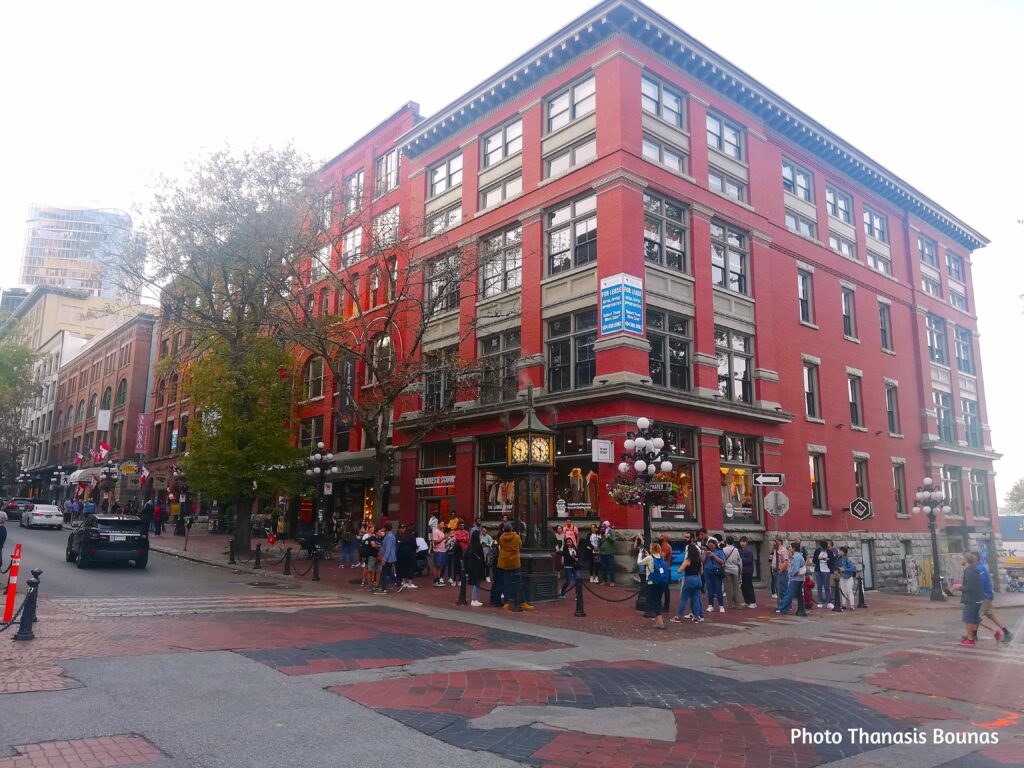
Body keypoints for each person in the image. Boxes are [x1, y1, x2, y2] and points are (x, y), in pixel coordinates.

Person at [977, 555, 1012, 643]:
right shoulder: (981, 566)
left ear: (975, 559)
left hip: (984, 596)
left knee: (974, 616)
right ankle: (1006, 632)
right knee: (990, 614)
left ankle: (995, 631)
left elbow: (981, 581)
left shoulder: (979, 568)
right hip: (987, 595)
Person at [497, 522, 532, 611]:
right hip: (515, 562)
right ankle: (522, 602)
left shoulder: (501, 537)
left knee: (506, 583)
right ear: (511, 528)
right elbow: (520, 545)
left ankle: (506, 603)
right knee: (518, 583)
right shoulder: (516, 537)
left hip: (505, 562)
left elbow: (500, 546)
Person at [672, 539, 704, 624]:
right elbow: (701, 572)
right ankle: (697, 617)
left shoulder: (688, 560)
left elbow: (679, 571)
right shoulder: (699, 560)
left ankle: (678, 616)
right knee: (696, 598)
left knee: (683, 598)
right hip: (698, 579)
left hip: (690, 579)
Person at [639, 543, 668, 629]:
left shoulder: (650, 558)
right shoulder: (661, 557)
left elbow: (639, 562)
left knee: (654, 601)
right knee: (658, 600)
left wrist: (640, 553)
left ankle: (660, 622)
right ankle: (658, 621)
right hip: (662, 582)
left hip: (653, 582)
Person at [959, 552, 983, 647]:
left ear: (966, 560)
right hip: (977, 598)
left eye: (962, 558)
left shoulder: (969, 571)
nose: (961, 560)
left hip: (971, 599)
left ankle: (970, 639)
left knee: (968, 619)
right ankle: (972, 636)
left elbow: (970, 587)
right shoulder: (974, 570)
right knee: (974, 619)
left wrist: (959, 587)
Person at [776, 542, 804, 615]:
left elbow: (796, 569)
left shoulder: (797, 557)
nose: (789, 549)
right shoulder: (797, 556)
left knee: (788, 594)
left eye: (791, 547)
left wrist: (791, 574)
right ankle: (785, 608)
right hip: (797, 578)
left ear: (794, 548)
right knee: (791, 594)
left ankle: (782, 608)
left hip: (795, 578)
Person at [703, 537, 726, 613]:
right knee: (710, 589)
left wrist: (714, 556)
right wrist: (706, 555)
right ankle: (710, 605)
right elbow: (703, 561)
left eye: (712, 545)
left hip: (717, 571)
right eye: (709, 546)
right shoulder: (706, 552)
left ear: (715, 545)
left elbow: (722, 561)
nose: (711, 547)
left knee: (718, 589)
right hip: (708, 571)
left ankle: (721, 606)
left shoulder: (719, 552)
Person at [466, 529, 486, 606]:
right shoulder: (478, 546)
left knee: (475, 583)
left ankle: (474, 599)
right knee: (477, 583)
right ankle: (474, 599)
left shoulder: (470, 545)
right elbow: (482, 557)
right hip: (477, 566)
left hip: (471, 566)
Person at [721, 536, 742, 610]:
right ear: (733, 542)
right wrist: (740, 570)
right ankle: (738, 604)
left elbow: (722, 560)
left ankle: (730, 604)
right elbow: (739, 560)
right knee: (736, 588)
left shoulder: (723, 549)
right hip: (735, 570)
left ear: (726, 541)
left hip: (727, 570)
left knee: (728, 588)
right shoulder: (736, 550)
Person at [812, 539, 834, 608]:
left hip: (826, 570)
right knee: (819, 586)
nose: (823, 549)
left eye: (824, 548)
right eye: (822, 548)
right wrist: (818, 558)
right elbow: (814, 561)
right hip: (818, 570)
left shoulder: (829, 552)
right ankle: (820, 601)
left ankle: (828, 601)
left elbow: (832, 561)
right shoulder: (817, 551)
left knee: (827, 586)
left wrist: (826, 559)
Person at [396, 524, 418, 591]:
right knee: (410, 568)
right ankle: (409, 583)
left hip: (402, 555)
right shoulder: (412, 537)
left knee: (404, 568)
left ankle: (404, 582)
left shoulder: (402, 536)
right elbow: (414, 545)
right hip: (410, 555)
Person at [378, 523, 397, 594]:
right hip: (390, 557)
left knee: (384, 573)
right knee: (388, 572)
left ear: (385, 528)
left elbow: (388, 548)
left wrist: (384, 559)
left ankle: (384, 588)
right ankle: (398, 581)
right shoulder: (390, 535)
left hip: (388, 557)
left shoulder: (389, 536)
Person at [558, 536, 579, 600]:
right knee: (568, 581)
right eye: (567, 542)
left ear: (572, 542)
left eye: (569, 542)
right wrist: (562, 564)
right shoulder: (565, 549)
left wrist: (577, 560)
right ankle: (562, 592)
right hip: (568, 566)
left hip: (575, 567)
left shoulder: (574, 548)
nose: (569, 543)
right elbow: (563, 557)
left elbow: (577, 556)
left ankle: (577, 595)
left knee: (577, 580)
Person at [738, 537, 757, 608]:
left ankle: (753, 602)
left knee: (748, 586)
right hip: (742, 571)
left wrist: (740, 559)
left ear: (747, 542)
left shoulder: (749, 551)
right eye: (741, 541)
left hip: (747, 571)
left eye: (744, 542)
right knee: (743, 587)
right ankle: (747, 601)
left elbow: (748, 560)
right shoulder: (740, 550)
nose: (742, 543)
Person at [598, 521, 617, 586]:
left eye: (604, 525)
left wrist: (608, 537)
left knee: (610, 567)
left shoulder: (611, 531)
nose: (603, 526)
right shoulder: (602, 532)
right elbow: (599, 542)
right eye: (603, 525)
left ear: (607, 525)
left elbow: (614, 540)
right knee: (603, 567)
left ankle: (612, 581)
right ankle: (604, 580)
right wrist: (600, 549)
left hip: (609, 553)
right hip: (602, 553)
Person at [659, 534, 673, 613]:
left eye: (661, 536)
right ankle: (661, 604)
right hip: (664, 568)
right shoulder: (663, 545)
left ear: (664, 538)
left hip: (665, 569)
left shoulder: (666, 546)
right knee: (663, 587)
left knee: (665, 588)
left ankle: (666, 606)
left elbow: (662, 556)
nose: (659, 537)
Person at [431, 520, 447, 587]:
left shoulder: (442, 532)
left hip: (443, 551)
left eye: (443, 524)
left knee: (439, 566)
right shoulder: (435, 531)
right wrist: (443, 539)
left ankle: (438, 581)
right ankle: (435, 581)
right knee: (436, 566)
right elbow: (435, 542)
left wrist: (446, 539)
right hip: (437, 551)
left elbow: (443, 541)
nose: (443, 525)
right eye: (442, 524)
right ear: (438, 524)